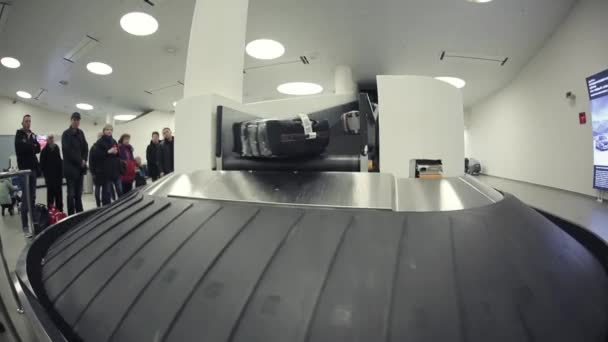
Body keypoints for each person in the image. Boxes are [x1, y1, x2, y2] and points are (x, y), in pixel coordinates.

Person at [14, 114, 41, 237]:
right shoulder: (19, 135)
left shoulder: (33, 135)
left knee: (33, 197)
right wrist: (32, 145)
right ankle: (25, 226)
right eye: (26, 121)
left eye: (30, 121)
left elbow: (38, 149)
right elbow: (20, 149)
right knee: (26, 198)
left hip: (33, 170)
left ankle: (34, 223)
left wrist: (31, 145)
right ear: (22, 122)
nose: (28, 123)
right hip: (24, 171)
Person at [61, 112, 88, 215]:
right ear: (71, 120)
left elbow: (86, 148)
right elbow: (67, 151)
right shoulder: (66, 134)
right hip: (70, 170)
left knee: (78, 194)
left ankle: (80, 214)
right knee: (71, 194)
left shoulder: (81, 133)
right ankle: (71, 215)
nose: (76, 122)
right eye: (75, 120)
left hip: (80, 170)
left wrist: (84, 160)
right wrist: (80, 161)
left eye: (78, 120)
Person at [93, 125, 122, 205]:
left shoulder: (114, 141)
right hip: (106, 172)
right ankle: (107, 208)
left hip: (115, 170)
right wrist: (108, 152)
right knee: (107, 192)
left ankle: (122, 206)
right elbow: (97, 155)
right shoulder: (99, 142)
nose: (109, 131)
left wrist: (117, 152)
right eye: (107, 129)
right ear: (104, 131)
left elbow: (119, 153)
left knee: (119, 190)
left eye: (111, 130)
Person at [39, 134, 63, 212]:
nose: (51, 140)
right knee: (50, 197)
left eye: (52, 138)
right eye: (50, 138)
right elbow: (42, 165)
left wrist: (61, 175)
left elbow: (59, 162)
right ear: (47, 140)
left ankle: (60, 211)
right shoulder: (44, 151)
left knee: (59, 196)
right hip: (49, 178)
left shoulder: (56, 148)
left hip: (58, 177)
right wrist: (46, 175)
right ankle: (50, 212)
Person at [89, 132, 103, 207]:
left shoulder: (106, 147)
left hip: (105, 173)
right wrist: (92, 172)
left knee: (106, 191)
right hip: (97, 173)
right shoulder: (93, 148)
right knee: (97, 192)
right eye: (99, 136)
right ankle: (98, 205)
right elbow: (90, 161)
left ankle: (105, 205)